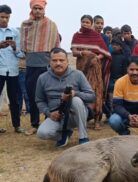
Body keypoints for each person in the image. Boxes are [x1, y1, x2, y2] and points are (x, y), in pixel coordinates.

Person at [36, 48, 95, 147]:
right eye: (54, 60)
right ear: (49, 62)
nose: (58, 63)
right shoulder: (42, 78)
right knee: (42, 133)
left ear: (67, 61)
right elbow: (39, 100)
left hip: (76, 114)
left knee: (76, 100)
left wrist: (75, 93)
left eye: (61, 60)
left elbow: (92, 96)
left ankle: (83, 137)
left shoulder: (78, 75)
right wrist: (49, 113)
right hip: (57, 116)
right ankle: (64, 134)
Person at [20, 0, 60, 136]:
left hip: (46, 66)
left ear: (44, 9)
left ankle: (49, 121)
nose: (37, 11)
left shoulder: (51, 25)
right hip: (31, 66)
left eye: (40, 8)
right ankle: (34, 124)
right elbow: (23, 48)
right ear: (31, 9)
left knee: (48, 94)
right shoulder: (25, 25)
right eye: (35, 8)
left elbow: (56, 46)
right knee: (32, 95)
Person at [71, 14, 111, 129]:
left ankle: (97, 120)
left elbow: (104, 53)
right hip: (82, 67)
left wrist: (95, 58)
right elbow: (74, 52)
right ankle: (82, 118)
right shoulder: (76, 35)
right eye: (83, 22)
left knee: (96, 91)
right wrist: (83, 53)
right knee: (82, 90)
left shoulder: (96, 36)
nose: (85, 24)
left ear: (91, 24)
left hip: (94, 67)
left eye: (87, 22)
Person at [0, 4, 25, 133]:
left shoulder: (15, 32)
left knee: (14, 99)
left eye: (7, 17)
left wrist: (15, 47)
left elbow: (22, 54)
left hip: (13, 71)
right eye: (2, 17)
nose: (4, 20)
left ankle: (17, 125)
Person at [103, 38, 127, 119]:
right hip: (110, 81)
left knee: (119, 100)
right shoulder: (109, 57)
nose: (114, 46)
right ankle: (111, 115)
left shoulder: (124, 58)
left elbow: (125, 72)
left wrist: (122, 81)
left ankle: (119, 115)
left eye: (117, 45)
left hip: (120, 81)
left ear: (120, 47)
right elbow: (106, 70)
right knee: (110, 100)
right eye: (113, 45)